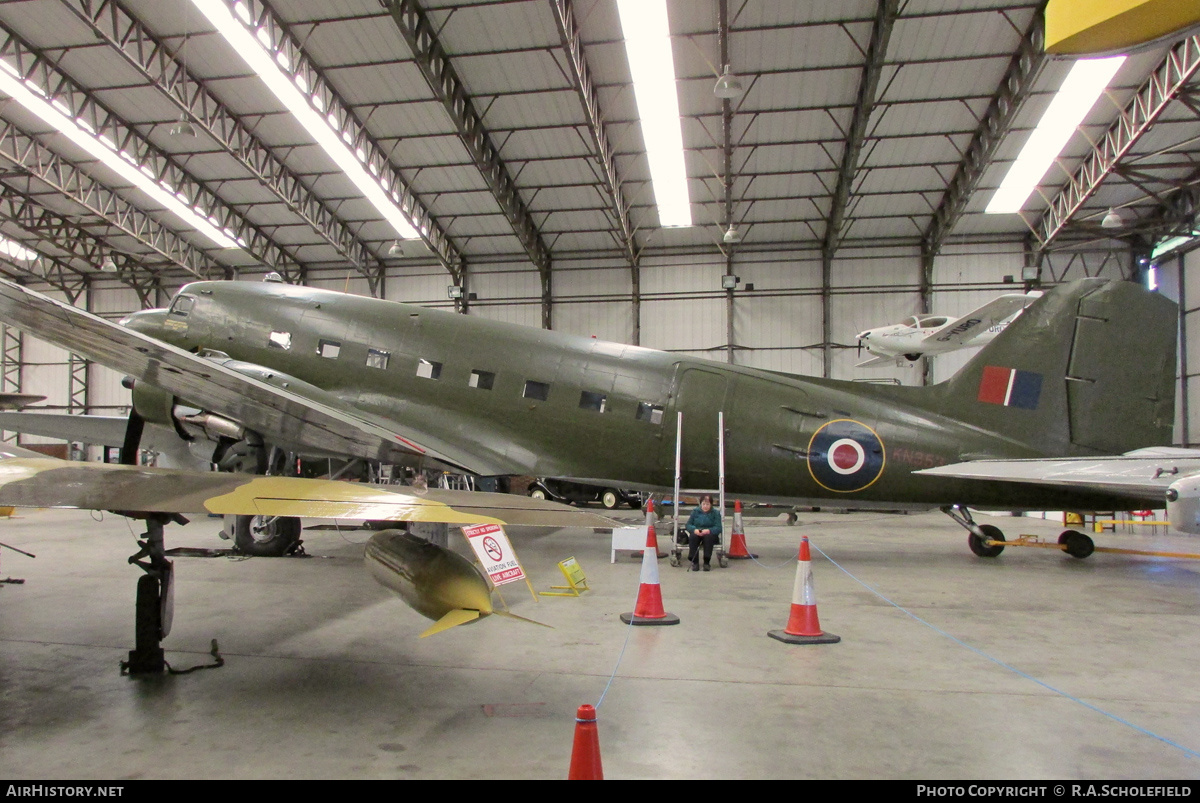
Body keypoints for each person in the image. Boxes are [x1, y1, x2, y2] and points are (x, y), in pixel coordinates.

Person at [685, 494, 722, 572]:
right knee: (693, 537)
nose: (705, 506)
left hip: (710, 534)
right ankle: (695, 562)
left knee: (708, 537)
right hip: (698, 532)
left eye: (707, 504)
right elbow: (688, 525)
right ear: (701, 504)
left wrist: (709, 530)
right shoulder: (695, 511)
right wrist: (694, 530)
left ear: (711, 504)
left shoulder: (715, 513)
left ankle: (706, 562)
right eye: (704, 504)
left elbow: (718, 527)